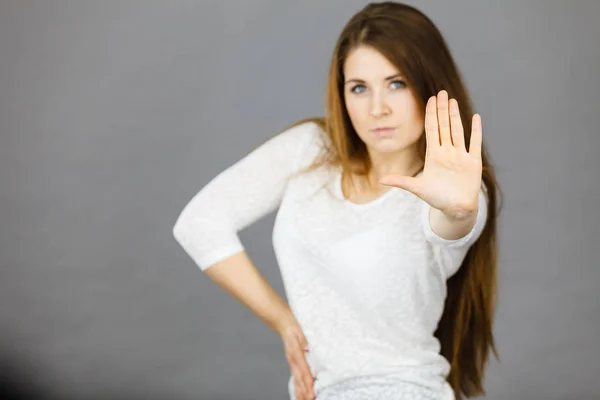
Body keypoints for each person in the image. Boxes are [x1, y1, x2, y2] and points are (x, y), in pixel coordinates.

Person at [172, 2, 501, 399]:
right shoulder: (312, 150)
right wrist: (283, 321)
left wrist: (459, 210)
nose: (377, 108)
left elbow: (454, 223)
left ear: (431, 85)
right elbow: (199, 223)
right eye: (359, 87)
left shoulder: (453, 191)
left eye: (397, 83)